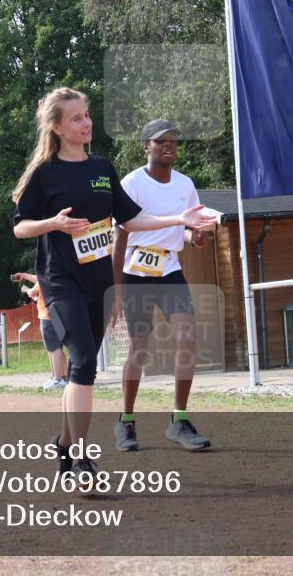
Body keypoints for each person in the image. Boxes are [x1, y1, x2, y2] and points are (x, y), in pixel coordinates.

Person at [12, 87, 216, 479]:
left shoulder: (102, 169)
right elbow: (20, 227)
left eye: (87, 115)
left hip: (98, 282)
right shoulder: (45, 174)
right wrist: (53, 223)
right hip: (61, 282)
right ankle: (80, 460)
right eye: (76, 118)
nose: (86, 122)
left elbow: (131, 221)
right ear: (56, 127)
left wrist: (179, 221)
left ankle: (64, 445)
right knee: (85, 363)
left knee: (79, 370)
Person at [112, 119, 212, 452]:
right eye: (161, 141)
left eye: (173, 141)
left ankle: (179, 420)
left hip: (169, 269)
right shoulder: (132, 183)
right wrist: (117, 286)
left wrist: (194, 237)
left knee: (188, 335)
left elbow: (184, 229)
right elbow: (120, 234)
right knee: (140, 350)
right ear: (146, 147)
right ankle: (126, 422)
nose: (169, 146)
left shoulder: (185, 185)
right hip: (136, 273)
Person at [12, 272, 67, 390]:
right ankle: (59, 377)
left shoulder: (44, 278)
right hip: (58, 316)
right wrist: (23, 275)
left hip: (47, 317)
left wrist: (25, 289)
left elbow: (32, 292)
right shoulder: (55, 275)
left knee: (53, 349)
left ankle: (57, 379)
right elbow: (36, 279)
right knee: (56, 349)